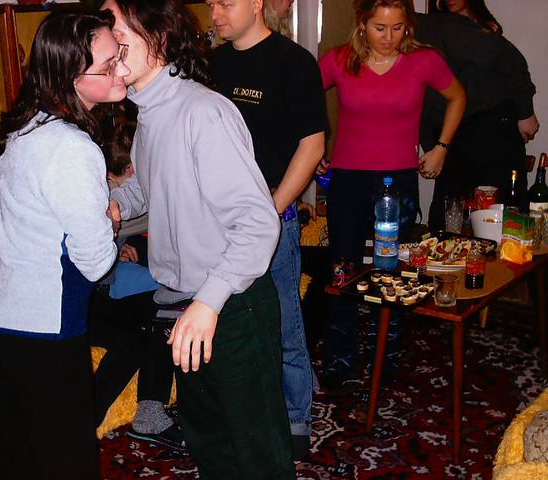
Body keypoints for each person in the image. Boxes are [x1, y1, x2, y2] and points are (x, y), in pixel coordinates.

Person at [101, 0, 295, 477]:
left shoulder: (202, 112)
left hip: (231, 306)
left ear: (159, 36)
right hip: (182, 306)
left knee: (256, 454)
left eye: (117, 33)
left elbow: (259, 222)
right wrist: (117, 202)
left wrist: (208, 302)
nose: (105, 44)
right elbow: (151, 183)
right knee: (210, 446)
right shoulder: (149, 112)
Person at [0, 12, 127, 480]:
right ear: (71, 76)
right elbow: (96, 263)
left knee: (20, 442)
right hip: (42, 322)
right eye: (109, 65)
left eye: (120, 55)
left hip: (2, 312)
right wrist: (110, 222)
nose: (121, 69)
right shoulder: (71, 146)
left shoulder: (27, 124)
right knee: (67, 455)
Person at [318, 0, 465, 387]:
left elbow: (458, 97)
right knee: (343, 269)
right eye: (379, 28)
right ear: (362, 24)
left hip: (397, 182)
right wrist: (313, 148)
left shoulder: (424, 60)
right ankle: (340, 360)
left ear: (408, 26)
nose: (389, 37)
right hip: (348, 178)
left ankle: (387, 356)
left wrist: (441, 147)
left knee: (393, 272)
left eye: (397, 28)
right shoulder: (338, 60)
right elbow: (301, 99)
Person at [209, 0, 326, 460]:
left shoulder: (293, 62)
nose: (215, 12)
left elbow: (312, 145)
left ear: (256, 3)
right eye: (212, 3)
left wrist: (270, 212)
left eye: (225, 2)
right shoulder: (210, 65)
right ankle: (237, 413)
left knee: (283, 322)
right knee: (227, 323)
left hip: (273, 216)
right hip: (217, 219)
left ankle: (296, 416)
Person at [90, 121, 184, 450]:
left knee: (167, 308)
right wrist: (113, 253)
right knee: (144, 328)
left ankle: (150, 412)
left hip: (103, 290)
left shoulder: (128, 194)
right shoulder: (98, 195)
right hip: (85, 298)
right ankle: (87, 421)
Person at [418, 0, 540, 230]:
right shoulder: (430, 26)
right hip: (455, 133)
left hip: (491, 126)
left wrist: (525, 111)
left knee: (502, 219)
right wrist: (432, 145)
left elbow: (511, 62)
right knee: (449, 221)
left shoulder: (470, 27)